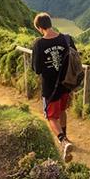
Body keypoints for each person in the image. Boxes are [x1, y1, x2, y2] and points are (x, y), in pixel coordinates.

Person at [31, 12, 75, 161]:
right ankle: (66, 137)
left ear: (39, 27)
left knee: (51, 117)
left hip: (50, 88)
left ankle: (63, 141)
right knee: (62, 111)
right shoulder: (66, 39)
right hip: (66, 84)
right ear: (50, 23)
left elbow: (37, 69)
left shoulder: (39, 44)